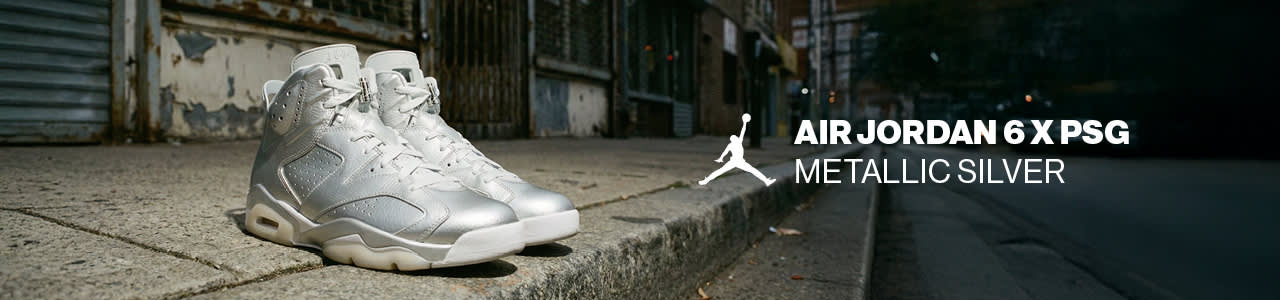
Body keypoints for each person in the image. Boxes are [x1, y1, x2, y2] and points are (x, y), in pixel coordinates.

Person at [699, 114, 777, 186]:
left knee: (753, 170)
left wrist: (745, 123)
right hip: (734, 161)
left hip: (740, 161)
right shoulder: (734, 143)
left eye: (736, 137)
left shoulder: (737, 142)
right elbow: (725, 152)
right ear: (733, 140)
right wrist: (721, 158)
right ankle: (706, 180)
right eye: (734, 137)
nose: (736, 137)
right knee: (720, 171)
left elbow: (742, 131)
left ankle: (766, 181)